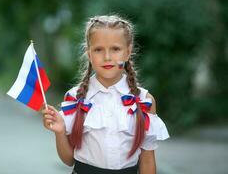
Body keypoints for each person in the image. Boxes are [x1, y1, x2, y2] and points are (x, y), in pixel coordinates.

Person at [42, 15, 169, 174]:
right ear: (89, 54)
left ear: (127, 52)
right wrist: (60, 131)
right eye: (98, 50)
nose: (107, 57)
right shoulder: (75, 97)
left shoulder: (144, 100)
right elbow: (68, 160)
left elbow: (148, 160)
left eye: (115, 49)